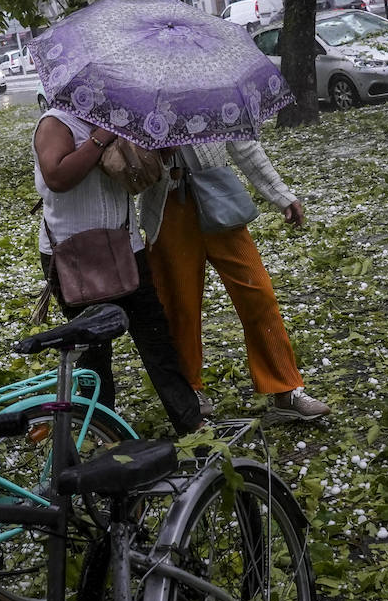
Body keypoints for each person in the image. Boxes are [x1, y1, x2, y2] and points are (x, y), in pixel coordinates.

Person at [33, 108, 203, 435]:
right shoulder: (54, 122)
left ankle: (191, 421)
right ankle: (101, 429)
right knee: (94, 349)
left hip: (125, 246)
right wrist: (100, 136)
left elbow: (137, 177)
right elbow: (57, 178)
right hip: (73, 253)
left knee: (156, 337)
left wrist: (154, 152)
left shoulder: (122, 117)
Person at [141, 141, 330, 423]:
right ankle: (189, 390)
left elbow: (245, 146)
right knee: (180, 307)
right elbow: (127, 168)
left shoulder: (213, 98)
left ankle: (286, 389)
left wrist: (281, 194)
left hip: (219, 198)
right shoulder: (136, 106)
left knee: (259, 295)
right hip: (167, 209)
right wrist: (158, 157)